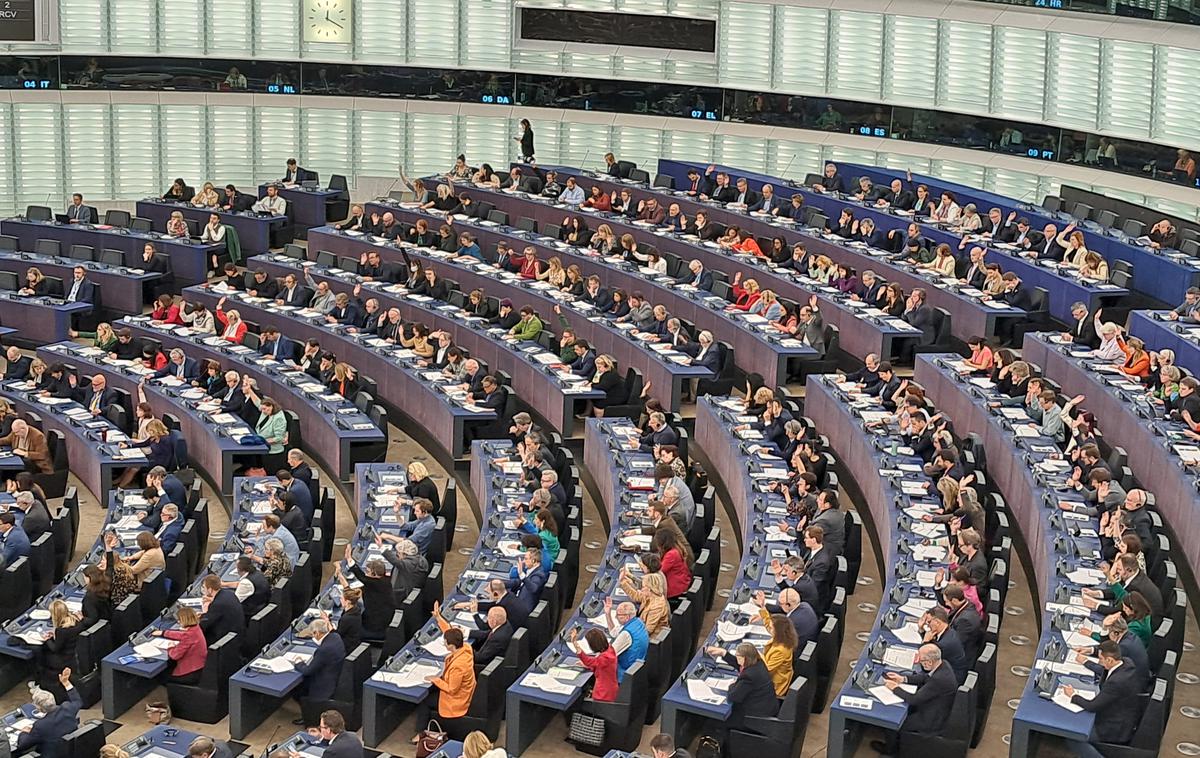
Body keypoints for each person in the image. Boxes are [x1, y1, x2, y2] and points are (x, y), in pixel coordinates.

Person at [869, 644, 958, 755]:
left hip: (931, 719)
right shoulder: (943, 664)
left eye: (920, 660)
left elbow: (913, 699)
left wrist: (894, 688)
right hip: (934, 707)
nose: (918, 662)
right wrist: (903, 679)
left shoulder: (939, 680)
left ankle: (891, 750)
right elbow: (925, 677)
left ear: (929, 662)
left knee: (892, 721)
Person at [1062, 640, 1142, 758]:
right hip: (1124, 717)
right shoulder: (1125, 662)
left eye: (1101, 659)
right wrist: (1086, 662)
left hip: (1113, 728)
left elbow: (1092, 706)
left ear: (1110, 660)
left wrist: (1073, 695)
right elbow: (1106, 670)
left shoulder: (1116, 683)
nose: (1100, 662)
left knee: (1072, 736)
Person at [411, 627, 476, 743]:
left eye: (445, 642)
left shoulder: (458, 667)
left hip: (457, 699)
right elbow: (452, 632)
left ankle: (420, 733)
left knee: (425, 701)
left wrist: (435, 679)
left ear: (450, 645)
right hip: (463, 689)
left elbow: (452, 689)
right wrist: (439, 618)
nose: (444, 644)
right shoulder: (466, 648)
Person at [15, 669, 80, 758]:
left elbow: (22, 745)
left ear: (40, 708)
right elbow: (77, 700)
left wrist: (24, 732)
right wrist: (66, 683)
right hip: (73, 752)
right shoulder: (67, 708)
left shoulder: (40, 726)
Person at [292, 618, 346, 725]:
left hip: (324, 684)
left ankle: (308, 717)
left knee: (297, 690)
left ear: (317, 633)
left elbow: (307, 671)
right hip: (335, 674)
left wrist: (298, 662)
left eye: (312, 634)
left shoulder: (323, 650)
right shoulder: (336, 637)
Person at [336, 544, 395, 639]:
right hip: (385, 618)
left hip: (374, 626)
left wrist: (349, 559)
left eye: (368, 571)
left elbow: (362, 577)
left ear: (374, 574)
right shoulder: (386, 580)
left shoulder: (373, 583)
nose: (366, 574)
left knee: (349, 627)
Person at [149, 606, 207, 684]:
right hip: (199, 666)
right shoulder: (196, 628)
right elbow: (182, 635)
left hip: (189, 672)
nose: (178, 622)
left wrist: (170, 647)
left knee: (160, 676)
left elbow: (174, 655)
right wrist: (163, 633)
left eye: (179, 620)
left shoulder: (188, 636)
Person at [38, 599, 83, 700]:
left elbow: (55, 649)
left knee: (42, 653)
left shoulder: (61, 631)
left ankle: (40, 681)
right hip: (73, 656)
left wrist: (47, 639)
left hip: (64, 659)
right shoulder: (75, 620)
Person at [569, 627, 618, 701]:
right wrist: (588, 665)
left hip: (603, 695)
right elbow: (599, 665)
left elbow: (588, 661)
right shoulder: (610, 649)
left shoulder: (603, 658)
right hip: (612, 690)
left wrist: (574, 642)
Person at [199, 574, 245, 644]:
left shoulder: (217, 605)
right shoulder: (229, 593)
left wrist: (203, 614)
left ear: (210, 589)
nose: (203, 590)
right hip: (237, 633)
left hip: (224, 639)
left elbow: (204, 624)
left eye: (204, 587)